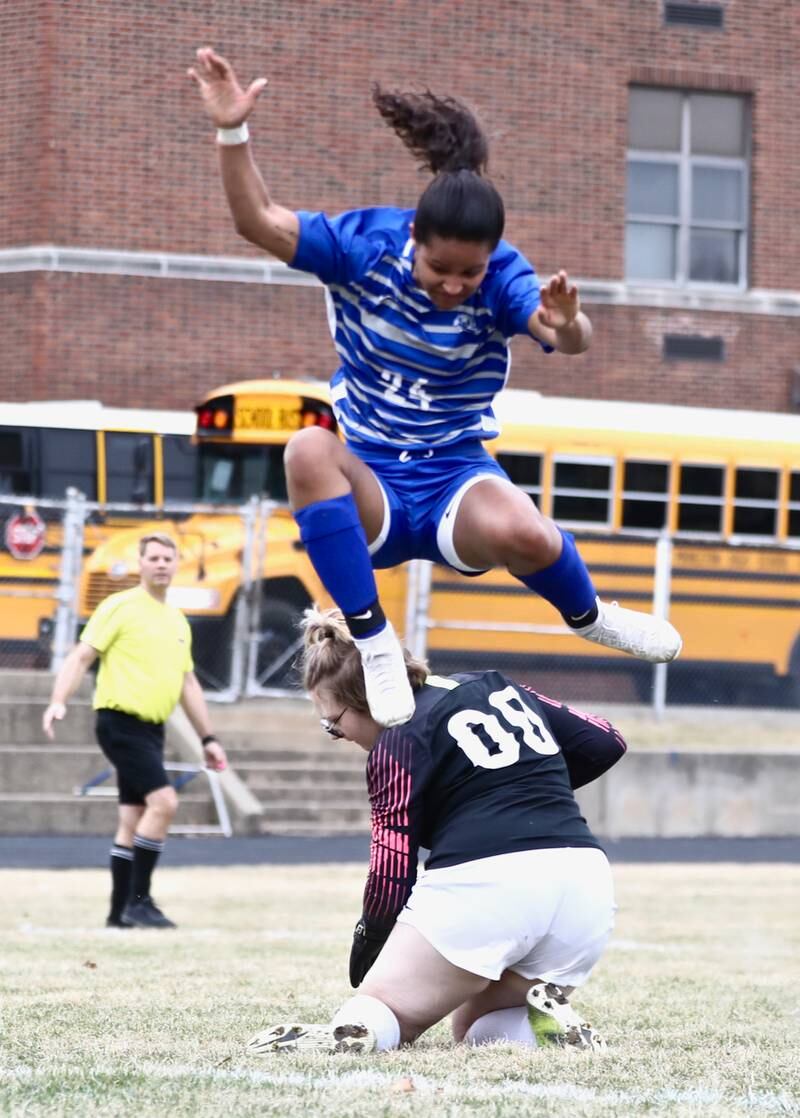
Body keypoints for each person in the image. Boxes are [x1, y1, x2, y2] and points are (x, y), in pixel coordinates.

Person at [188, 47, 682, 729]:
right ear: (412, 236)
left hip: (454, 475)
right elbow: (259, 221)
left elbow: (561, 332)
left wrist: (571, 325)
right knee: (306, 446)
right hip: (372, 480)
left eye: (469, 274)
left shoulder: (503, 274)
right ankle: (373, 638)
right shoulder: (363, 248)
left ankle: (592, 615)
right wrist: (231, 131)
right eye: (439, 268)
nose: (454, 286)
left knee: (527, 533)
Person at [247, 607, 624, 1056]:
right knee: (478, 1026)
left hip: (490, 883)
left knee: (383, 1010)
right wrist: (521, 784)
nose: (337, 732)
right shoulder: (495, 684)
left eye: (334, 723)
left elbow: (392, 866)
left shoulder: (398, 738)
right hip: (585, 882)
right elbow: (605, 740)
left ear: (367, 697)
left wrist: (369, 946)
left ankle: (350, 1033)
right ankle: (547, 1032)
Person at [42, 532, 227, 929]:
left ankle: (116, 914)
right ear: (141, 564)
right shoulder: (119, 607)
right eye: (154, 558)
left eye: (168, 558)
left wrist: (208, 738)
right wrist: (58, 700)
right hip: (119, 723)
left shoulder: (177, 621)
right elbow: (81, 656)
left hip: (152, 730)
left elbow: (188, 684)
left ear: (176, 565)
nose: (161, 564)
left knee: (133, 817)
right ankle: (138, 902)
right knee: (164, 804)